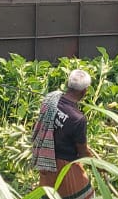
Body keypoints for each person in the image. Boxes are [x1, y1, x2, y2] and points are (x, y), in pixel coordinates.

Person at [32, 69, 96, 199]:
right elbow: (83, 152)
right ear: (85, 91)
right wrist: (99, 166)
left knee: (48, 194)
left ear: (68, 84)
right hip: (65, 166)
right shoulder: (78, 119)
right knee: (86, 195)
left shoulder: (51, 98)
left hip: (46, 158)